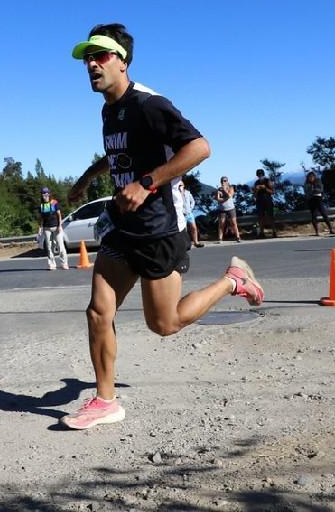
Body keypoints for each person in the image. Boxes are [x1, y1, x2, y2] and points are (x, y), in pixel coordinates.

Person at [63, 23, 264, 430]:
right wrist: (87, 178)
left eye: (100, 55)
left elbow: (200, 147)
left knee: (165, 323)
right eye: (87, 57)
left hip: (158, 228)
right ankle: (105, 401)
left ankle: (233, 280)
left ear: (122, 60)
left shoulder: (149, 104)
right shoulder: (109, 109)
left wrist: (148, 182)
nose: (91, 64)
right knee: (98, 311)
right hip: (123, 227)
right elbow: (117, 155)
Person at [38, 186, 68, 270]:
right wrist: (40, 228)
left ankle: (64, 263)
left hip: (56, 227)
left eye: (46, 193)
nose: (45, 194)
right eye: (43, 193)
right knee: (49, 247)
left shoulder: (54, 202)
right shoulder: (41, 205)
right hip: (46, 228)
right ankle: (52, 264)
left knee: (61, 246)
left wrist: (60, 226)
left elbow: (59, 214)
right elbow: (41, 218)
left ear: (49, 193)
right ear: (41, 195)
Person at [303, 171, 335, 236]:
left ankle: (331, 229)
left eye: (312, 177)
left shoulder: (318, 181)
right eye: (310, 177)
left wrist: (314, 190)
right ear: (308, 178)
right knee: (314, 216)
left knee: (324, 214)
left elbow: (321, 189)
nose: (311, 178)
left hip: (318, 199)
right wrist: (313, 191)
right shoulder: (306, 183)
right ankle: (317, 231)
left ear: (314, 177)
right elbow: (307, 192)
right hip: (311, 200)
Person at [178, 180, 204, 248]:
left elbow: (192, 201)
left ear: (183, 186)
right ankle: (186, 244)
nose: (180, 187)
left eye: (181, 185)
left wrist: (191, 208)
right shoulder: (177, 194)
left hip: (189, 213)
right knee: (184, 230)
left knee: (194, 228)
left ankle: (196, 242)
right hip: (182, 214)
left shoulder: (188, 193)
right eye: (179, 186)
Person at [215, 177, 241, 243]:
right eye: (222, 181)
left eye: (225, 181)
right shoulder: (218, 189)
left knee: (234, 223)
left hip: (231, 208)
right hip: (222, 209)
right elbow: (217, 199)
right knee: (221, 224)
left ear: (227, 181)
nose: (223, 182)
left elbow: (229, 195)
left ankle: (238, 237)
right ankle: (220, 239)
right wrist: (224, 199)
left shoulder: (231, 188)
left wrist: (224, 190)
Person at [254, 169, 277, 238]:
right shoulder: (256, 182)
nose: (260, 176)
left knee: (270, 217)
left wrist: (265, 188)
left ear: (263, 174)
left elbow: (272, 192)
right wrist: (256, 189)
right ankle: (262, 233)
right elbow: (254, 194)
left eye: (261, 175)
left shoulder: (268, 181)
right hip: (259, 201)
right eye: (258, 175)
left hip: (268, 200)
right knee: (260, 217)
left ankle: (274, 232)